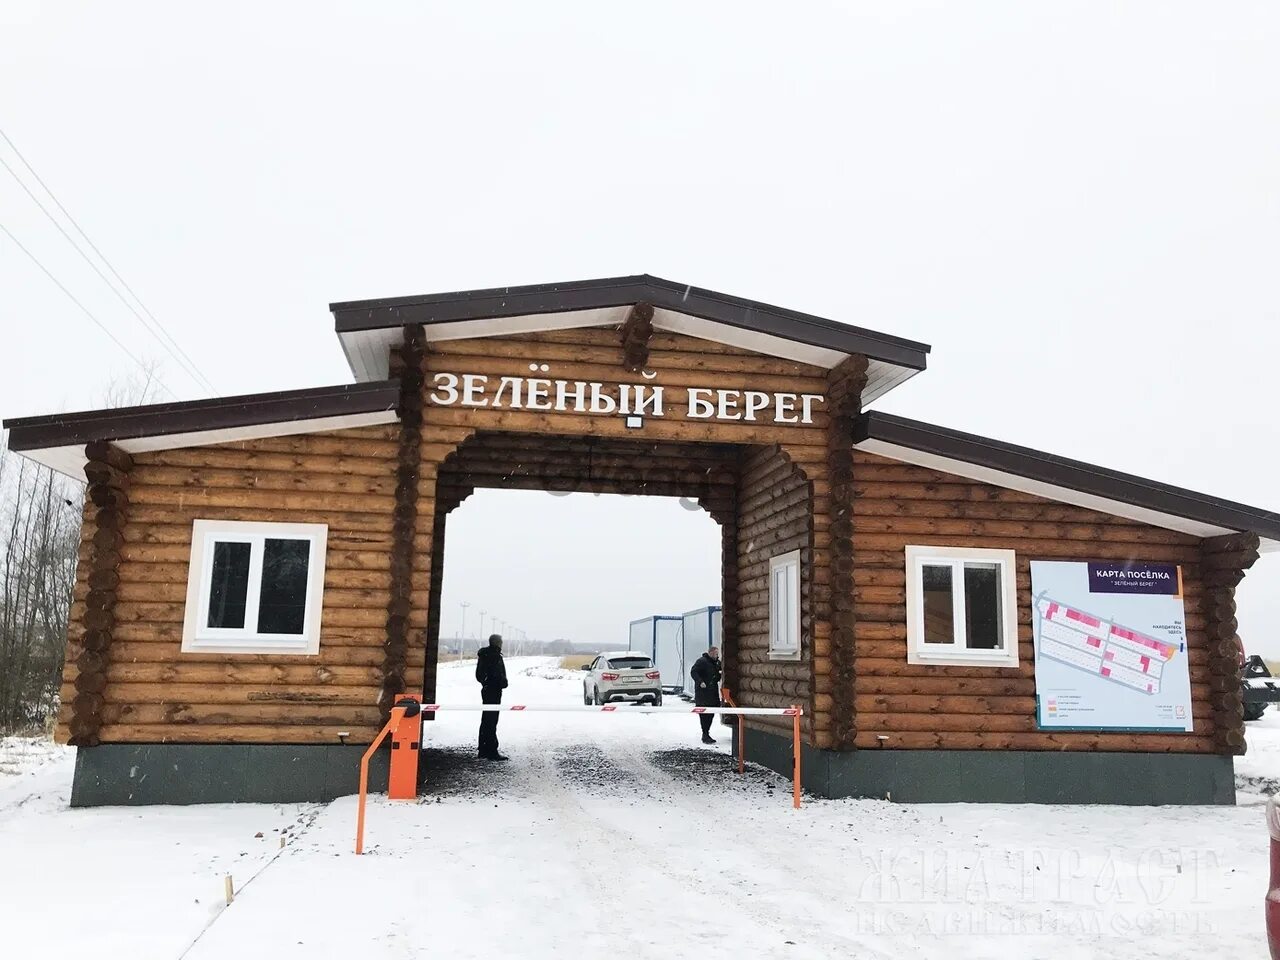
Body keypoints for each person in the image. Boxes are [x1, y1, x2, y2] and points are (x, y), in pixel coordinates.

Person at [475, 633, 509, 760]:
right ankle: (491, 750)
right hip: (493, 691)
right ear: (497, 643)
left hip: (487, 689)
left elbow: (479, 675)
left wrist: (485, 682)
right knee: (491, 720)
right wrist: (501, 682)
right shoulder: (495, 656)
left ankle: (483, 749)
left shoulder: (484, 655)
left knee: (486, 719)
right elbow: (498, 674)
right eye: (501, 641)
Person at [690, 646, 722, 744]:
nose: (717, 656)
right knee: (704, 714)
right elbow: (693, 672)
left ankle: (707, 733)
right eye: (716, 654)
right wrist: (700, 682)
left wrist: (719, 675)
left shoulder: (716, 663)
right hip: (703, 693)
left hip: (712, 692)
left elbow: (718, 673)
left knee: (711, 712)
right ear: (711, 653)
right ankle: (705, 733)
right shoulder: (702, 661)